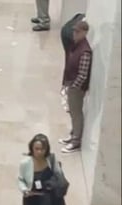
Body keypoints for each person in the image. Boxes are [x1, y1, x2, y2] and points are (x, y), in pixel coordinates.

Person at [60, 20, 92, 154]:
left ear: (84, 33)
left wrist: (74, 87)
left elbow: (83, 74)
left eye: (77, 32)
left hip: (77, 88)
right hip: (70, 83)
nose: (74, 34)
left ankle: (76, 141)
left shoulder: (85, 51)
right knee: (72, 112)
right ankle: (73, 133)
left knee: (76, 113)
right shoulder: (76, 45)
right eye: (74, 31)